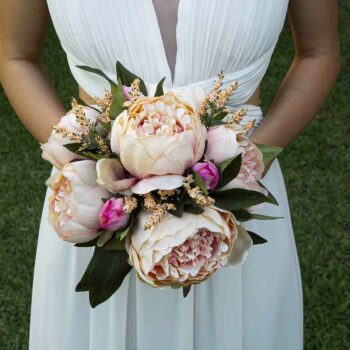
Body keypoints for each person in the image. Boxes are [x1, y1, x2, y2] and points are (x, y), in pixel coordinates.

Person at [0, 1, 339, 349]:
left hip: (239, 207)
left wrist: (242, 167)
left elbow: (318, 52)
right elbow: (15, 56)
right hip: (100, 212)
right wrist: (82, 162)